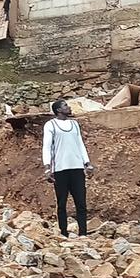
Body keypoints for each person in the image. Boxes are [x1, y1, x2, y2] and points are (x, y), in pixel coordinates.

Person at [42, 99, 94, 238]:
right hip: (60, 169)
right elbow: (47, 147)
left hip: (76, 168)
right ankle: (63, 232)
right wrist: (47, 168)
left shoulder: (74, 124)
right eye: (65, 105)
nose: (69, 107)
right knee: (62, 203)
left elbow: (80, 144)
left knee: (81, 202)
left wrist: (87, 163)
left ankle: (83, 232)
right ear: (58, 110)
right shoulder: (50, 125)